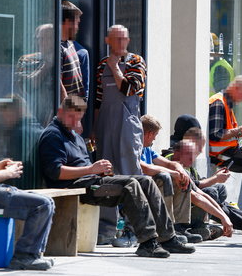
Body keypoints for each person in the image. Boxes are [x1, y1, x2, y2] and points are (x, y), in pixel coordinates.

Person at [38, 95, 194, 258]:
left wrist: (99, 170)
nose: (74, 122)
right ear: (60, 111)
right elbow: (56, 172)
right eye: (70, 117)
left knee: (146, 181)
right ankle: (147, 242)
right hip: (77, 187)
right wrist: (91, 169)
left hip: (92, 180)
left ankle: (167, 237)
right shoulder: (53, 135)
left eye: (78, 119)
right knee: (131, 185)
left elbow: (85, 167)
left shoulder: (74, 135)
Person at [94, 25, 146, 244]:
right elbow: (97, 100)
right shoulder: (100, 66)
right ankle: (106, 230)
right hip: (106, 124)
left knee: (131, 174)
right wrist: (94, 129)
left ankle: (135, 230)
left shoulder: (136, 62)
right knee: (106, 175)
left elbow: (130, 89)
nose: (121, 43)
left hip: (127, 126)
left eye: (124, 39)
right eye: (117, 39)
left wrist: (115, 68)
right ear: (108, 40)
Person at [0, 103, 55, 270]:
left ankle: (34, 254)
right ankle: (24, 256)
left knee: (47, 202)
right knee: (41, 205)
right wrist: (8, 173)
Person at [139, 115, 202, 243]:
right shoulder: (135, 147)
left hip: (152, 186)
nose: (155, 139)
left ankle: (179, 227)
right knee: (165, 177)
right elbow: (147, 168)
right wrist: (174, 173)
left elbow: (169, 164)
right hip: (142, 187)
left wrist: (180, 170)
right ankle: (165, 229)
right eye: (155, 135)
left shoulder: (148, 149)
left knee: (183, 178)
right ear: (149, 134)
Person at [60, 0, 85, 102]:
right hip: (67, 112)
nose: (77, 28)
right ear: (67, 22)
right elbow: (58, 84)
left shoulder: (70, 43)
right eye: (77, 23)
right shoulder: (58, 48)